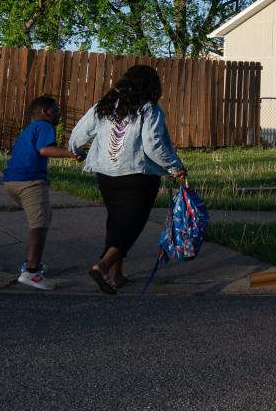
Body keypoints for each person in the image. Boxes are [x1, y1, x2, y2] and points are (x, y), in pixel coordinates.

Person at [68, 65, 187, 295]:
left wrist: (75, 149)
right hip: (137, 176)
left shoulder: (103, 106)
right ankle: (101, 266)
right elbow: (153, 146)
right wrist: (175, 167)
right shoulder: (148, 110)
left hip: (106, 175)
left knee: (116, 223)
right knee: (131, 226)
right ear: (151, 86)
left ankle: (116, 276)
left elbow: (78, 133)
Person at [2, 96, 80, 290]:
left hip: (11, 181)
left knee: (43, 217)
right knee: (39, 224)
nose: (59, 114)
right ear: (45, 112)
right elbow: (45, 150)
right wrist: (72, 153)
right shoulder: (45, 126)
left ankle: (31, 263)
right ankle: (31, 271)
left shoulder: (29, 129)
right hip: (29, 182)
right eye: (55, 110)